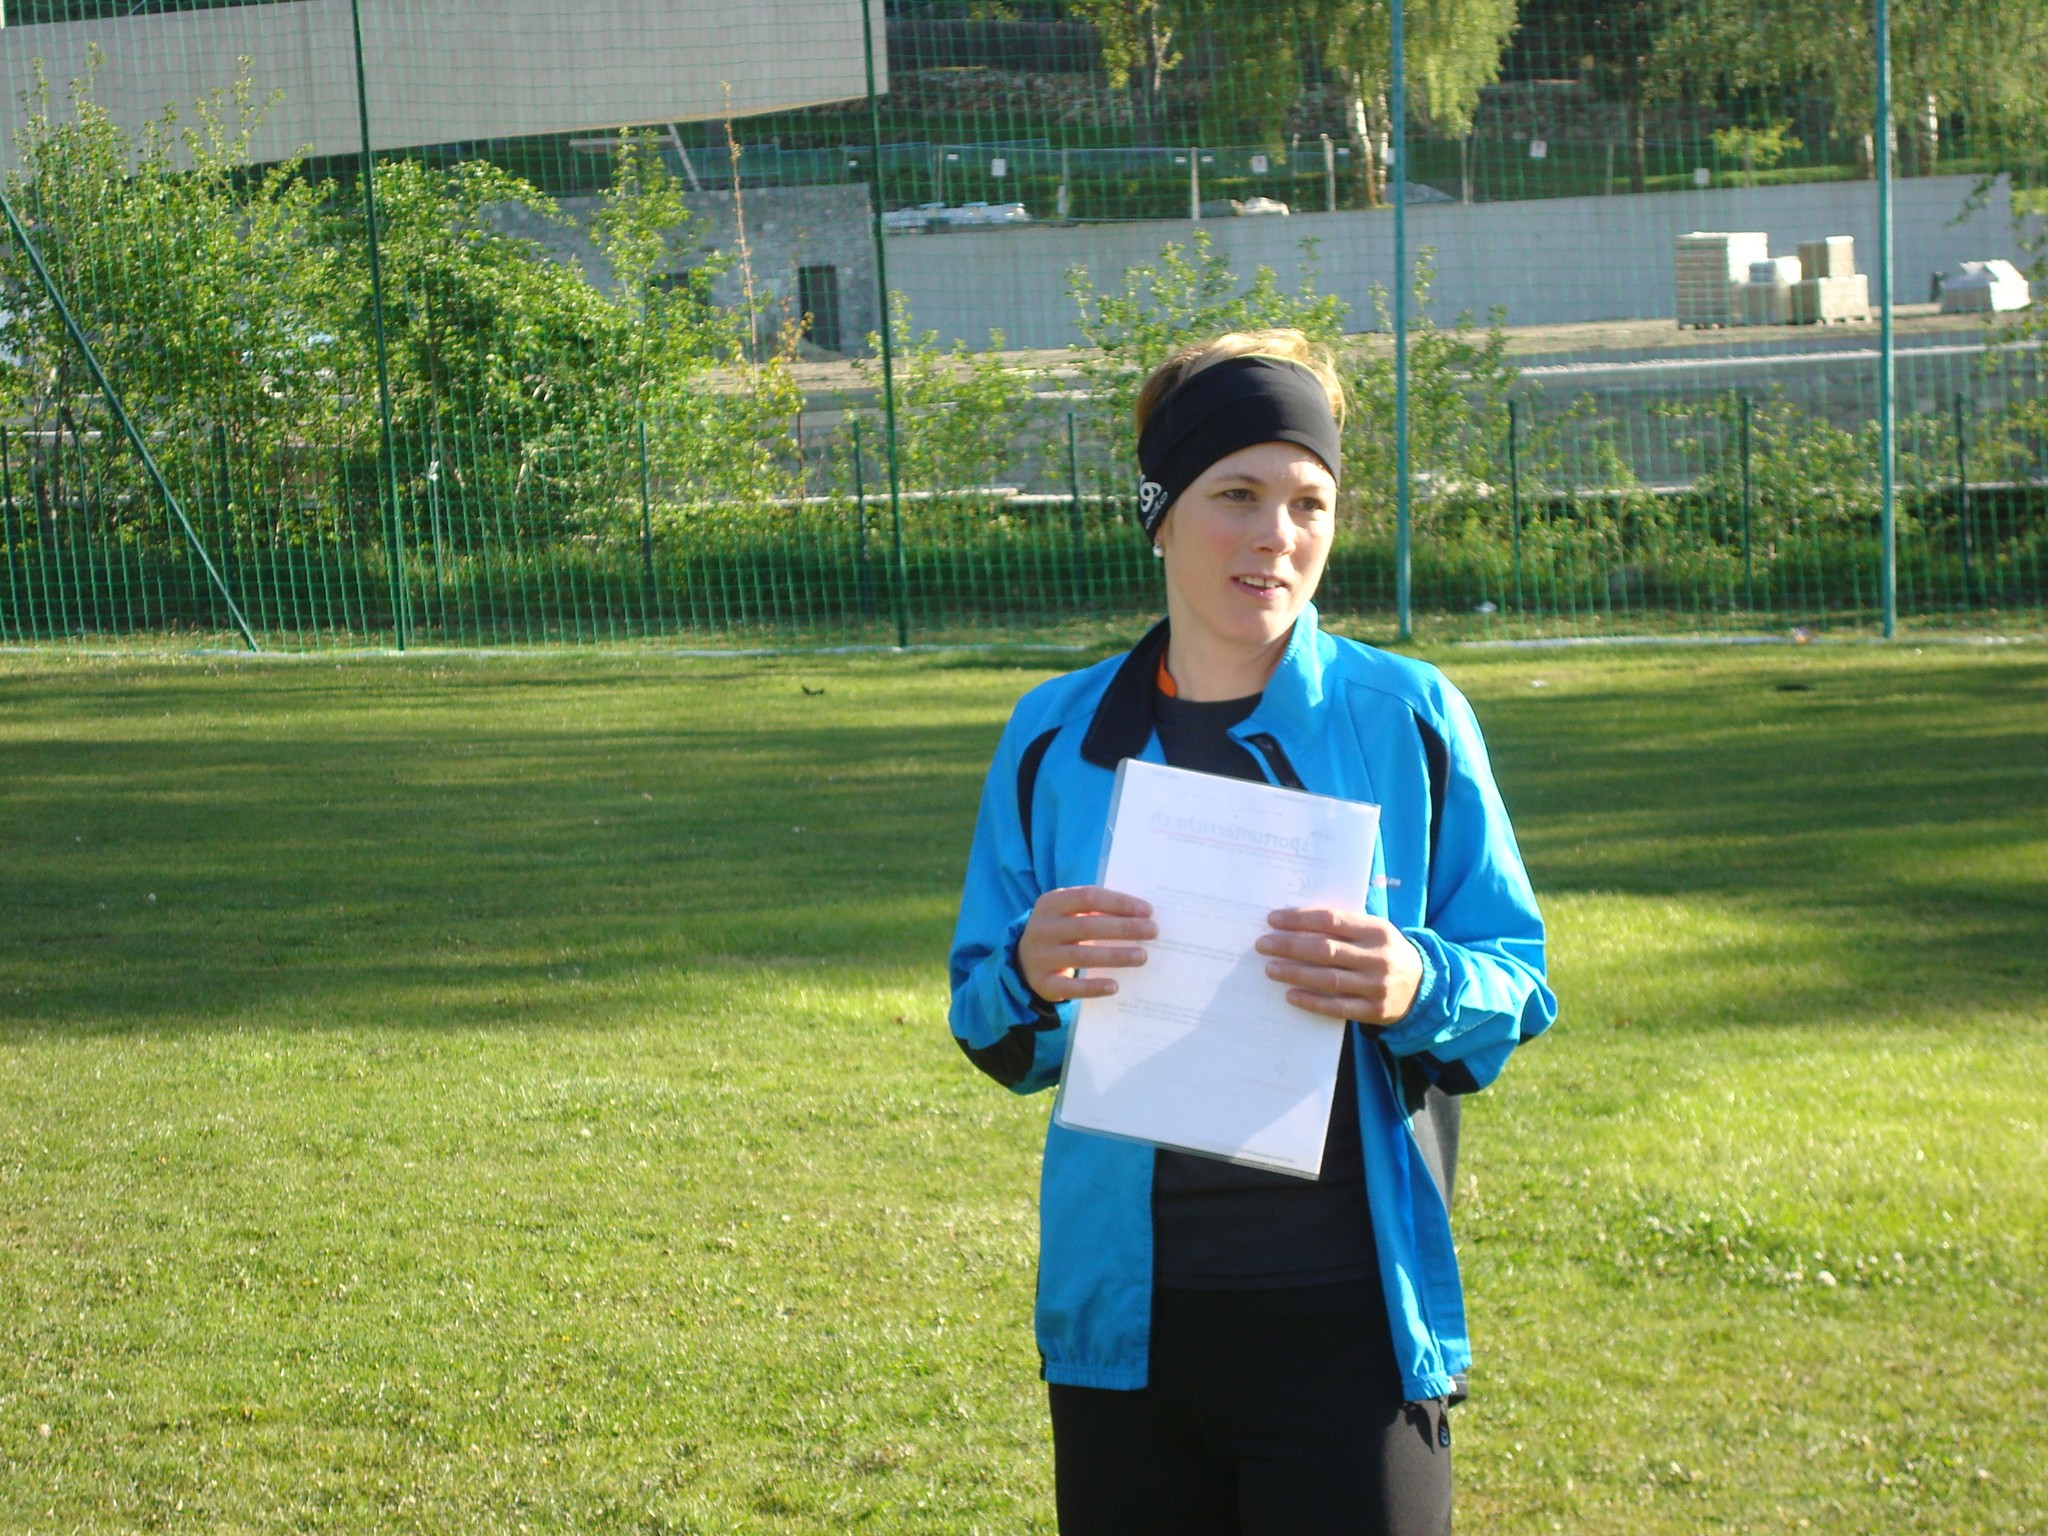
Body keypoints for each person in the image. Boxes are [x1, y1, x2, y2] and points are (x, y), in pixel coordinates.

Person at [946, 328, 1557, 1536]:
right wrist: (1026, 973)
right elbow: (988, 1023)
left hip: (1348, 1320)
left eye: (1307, 501)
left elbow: (1513, 984)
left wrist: (1412, 979)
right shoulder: (1053, 737)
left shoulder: (1409, 716)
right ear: (1159, 513)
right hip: (1125, 1328)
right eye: (1236, 494)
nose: (1276, 534)